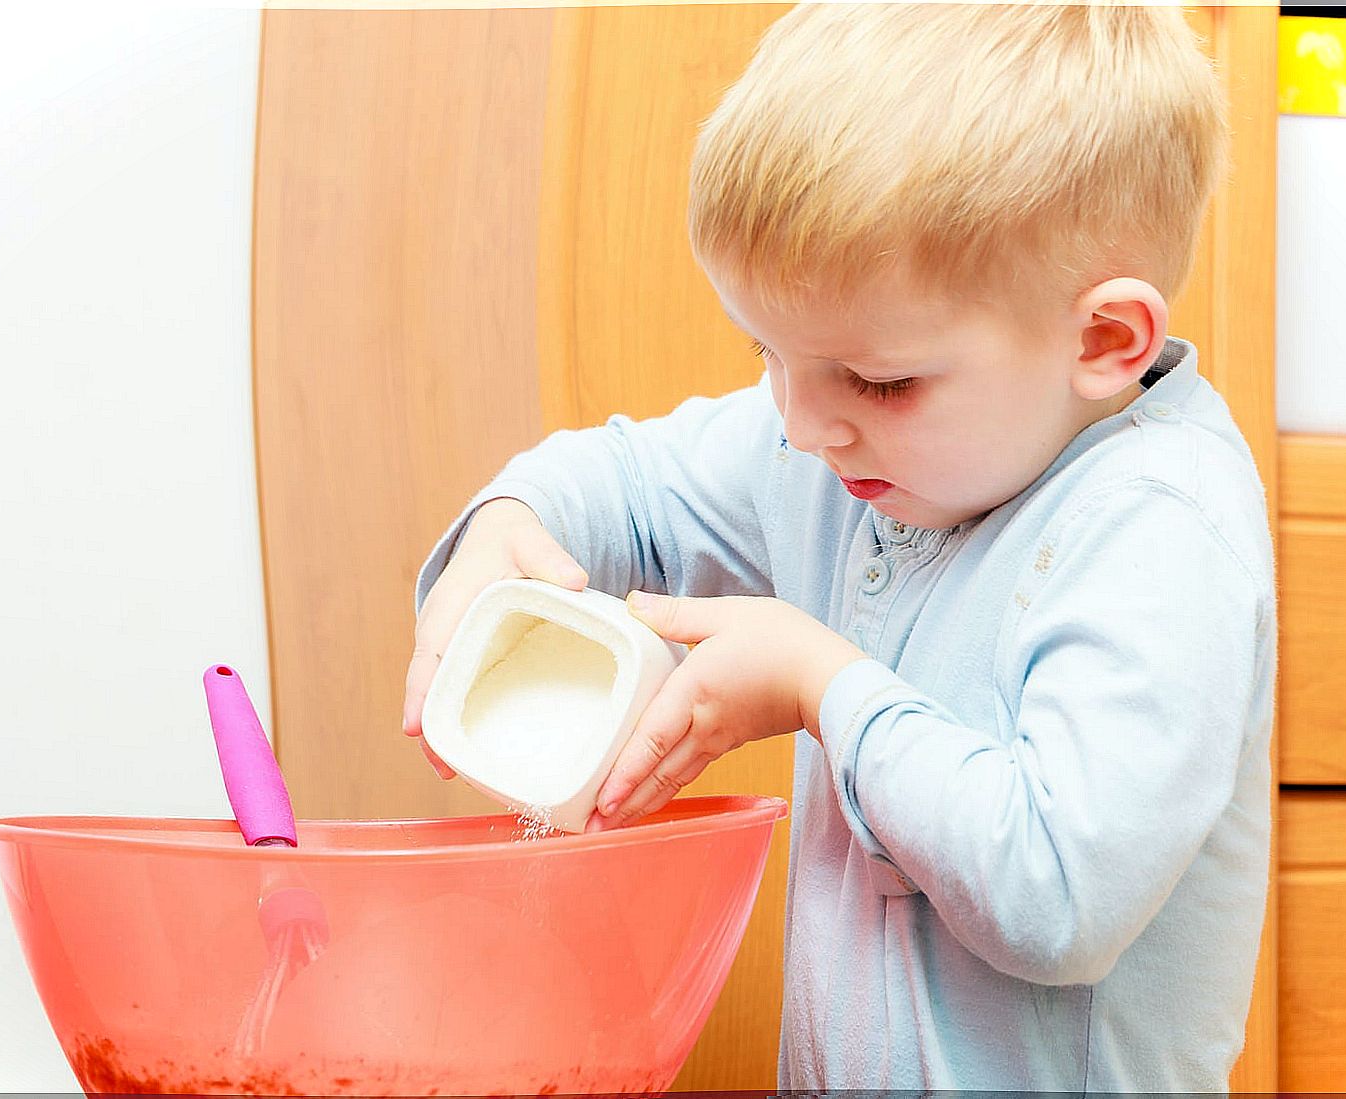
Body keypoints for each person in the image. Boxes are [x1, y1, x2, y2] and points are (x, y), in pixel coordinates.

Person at [401, 3, 1274, 1090]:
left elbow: (1057, 894)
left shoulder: (1157, 531)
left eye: (879, 379)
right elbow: (627, 487)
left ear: (1100, 340)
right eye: (766, 349)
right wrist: (502, 529)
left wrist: (824, 686)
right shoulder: (842, 448)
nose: (805, 425)